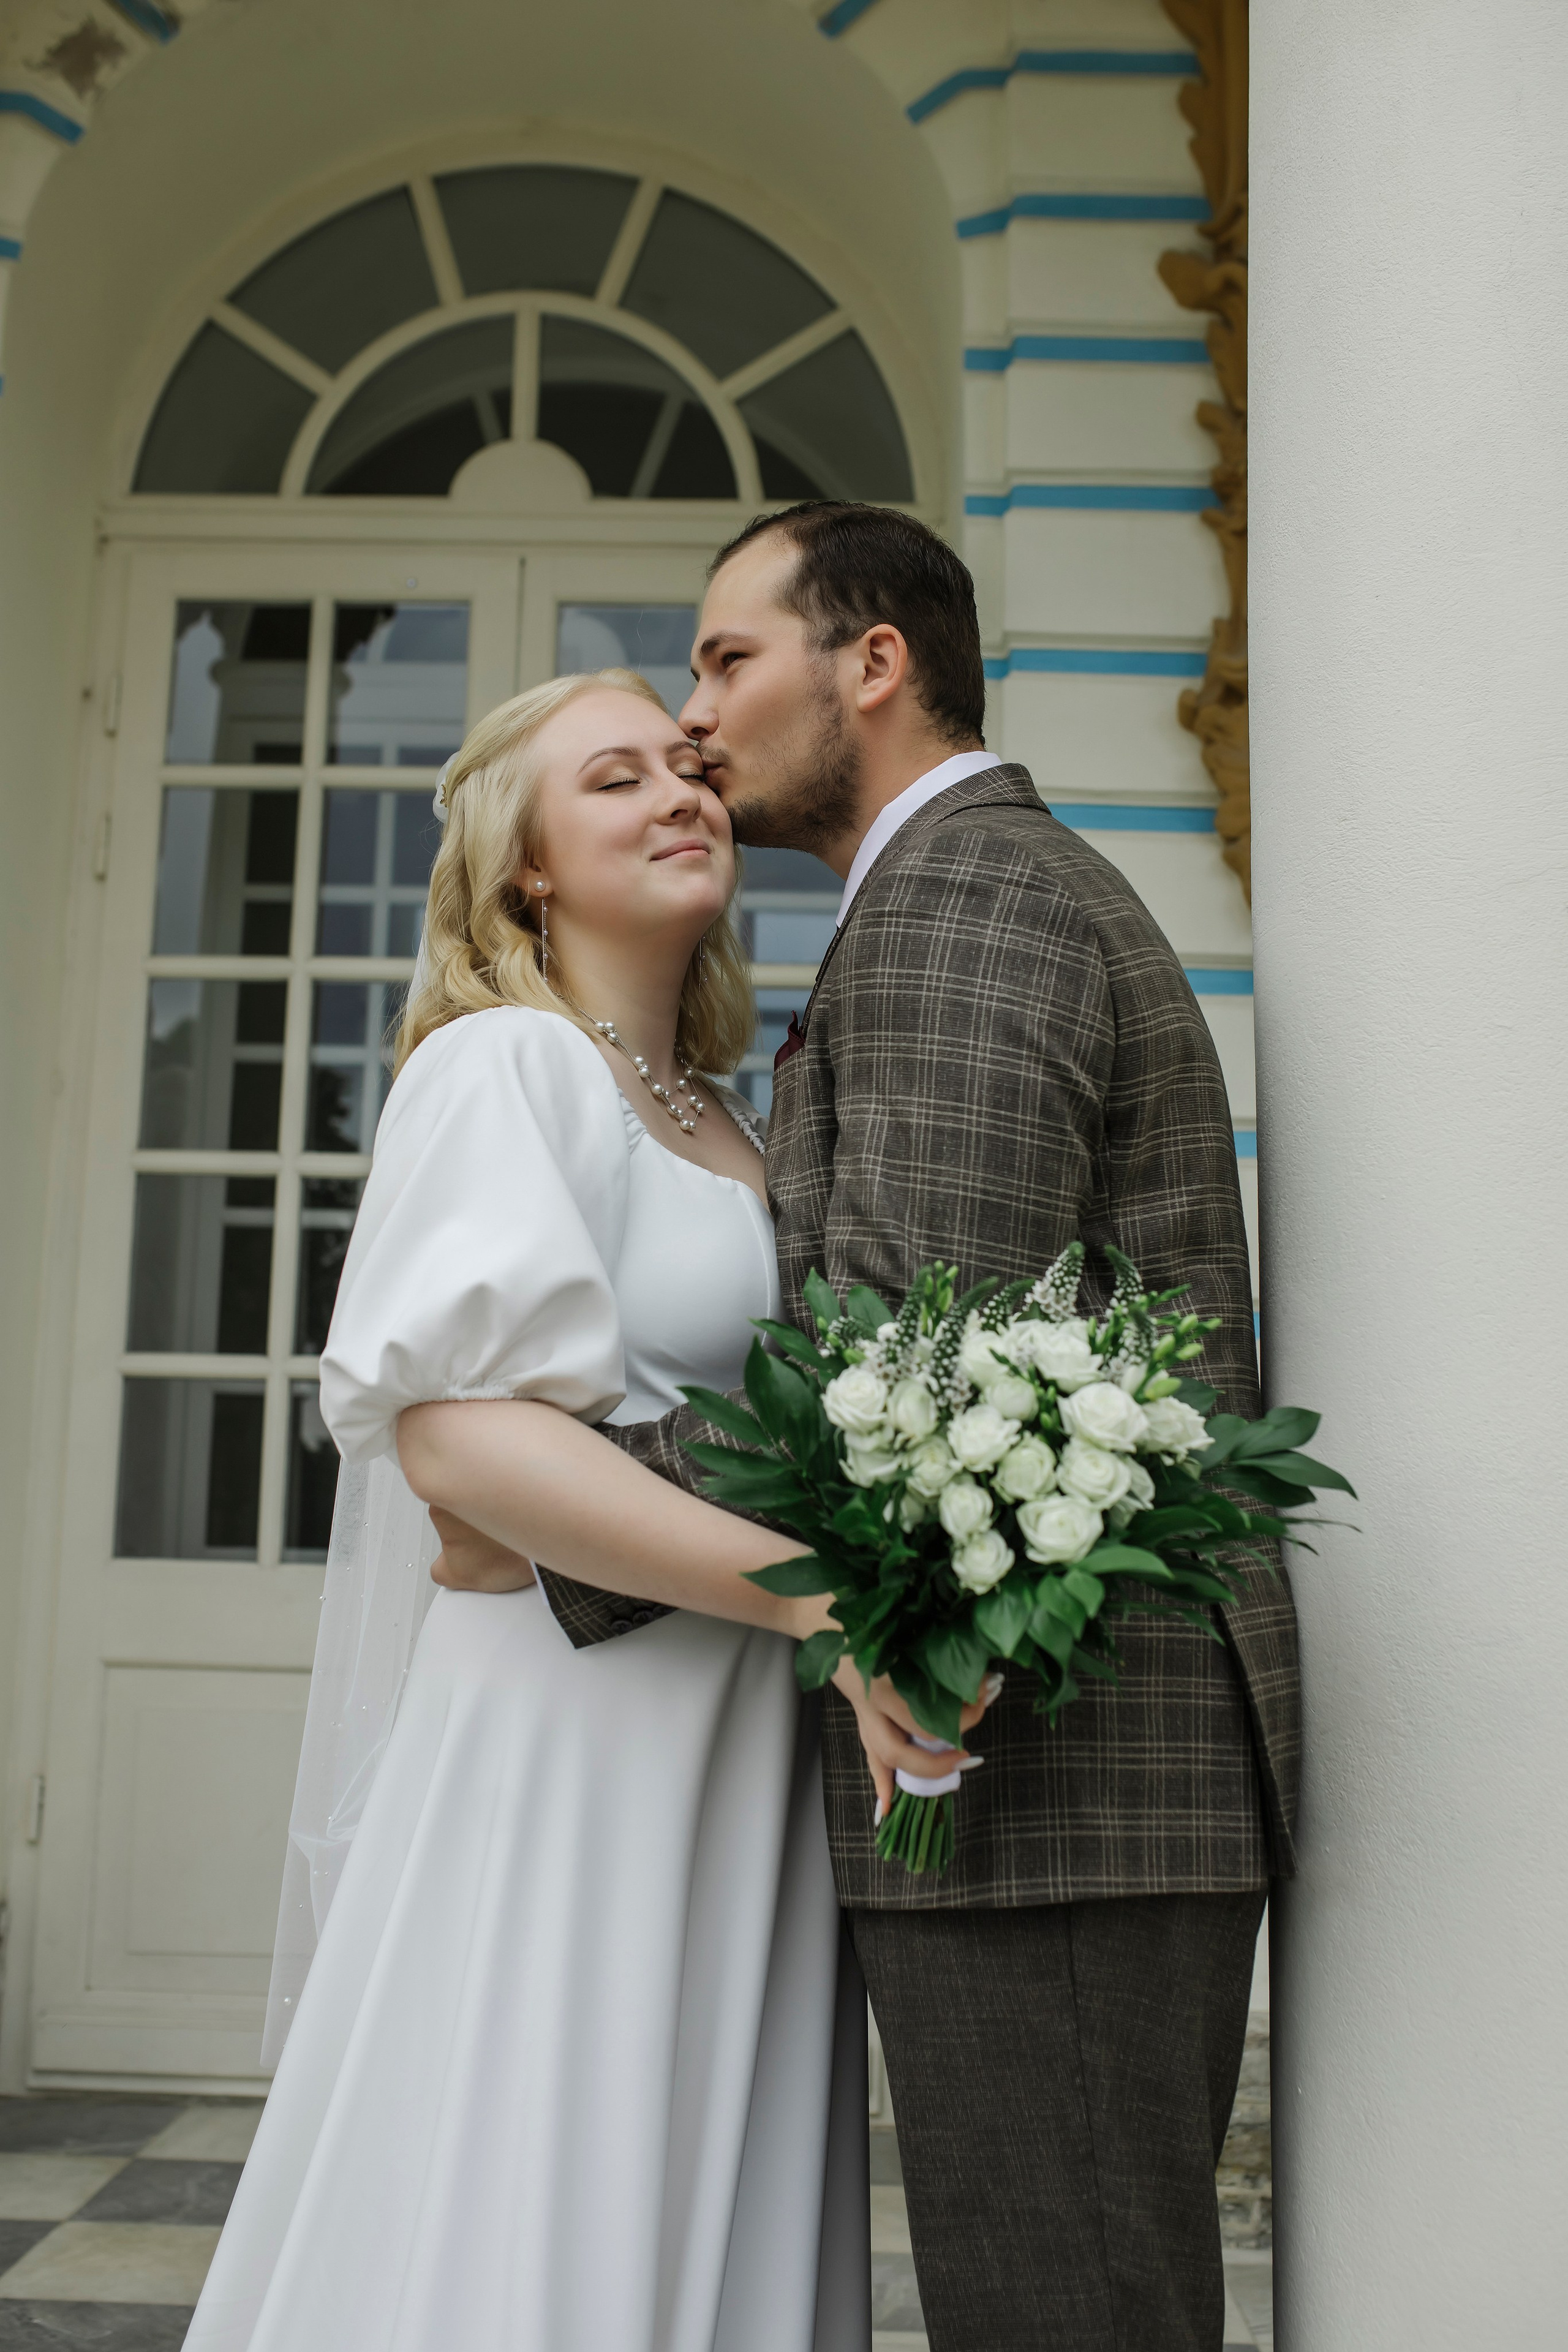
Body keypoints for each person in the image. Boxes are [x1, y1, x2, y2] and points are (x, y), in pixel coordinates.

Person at [418, 504, 1302, 2352]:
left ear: (874, 663)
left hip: (1056, 1775)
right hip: (1038, 1772)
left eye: (728, 661)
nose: (696, 719)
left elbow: (912, 1365)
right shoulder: (960, 895)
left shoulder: (959, 902)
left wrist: (549, 1507)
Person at [184, 666, 929, 2352]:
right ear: (524, 866)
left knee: (697, 2175)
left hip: (740, 1735)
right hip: (573, 1722)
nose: (679, 792)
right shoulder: (504, 1066)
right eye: (614, 780)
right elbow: (459, 1445)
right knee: (544, 2174)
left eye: (685, 765)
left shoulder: (732, 1121)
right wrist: (816, 1593)